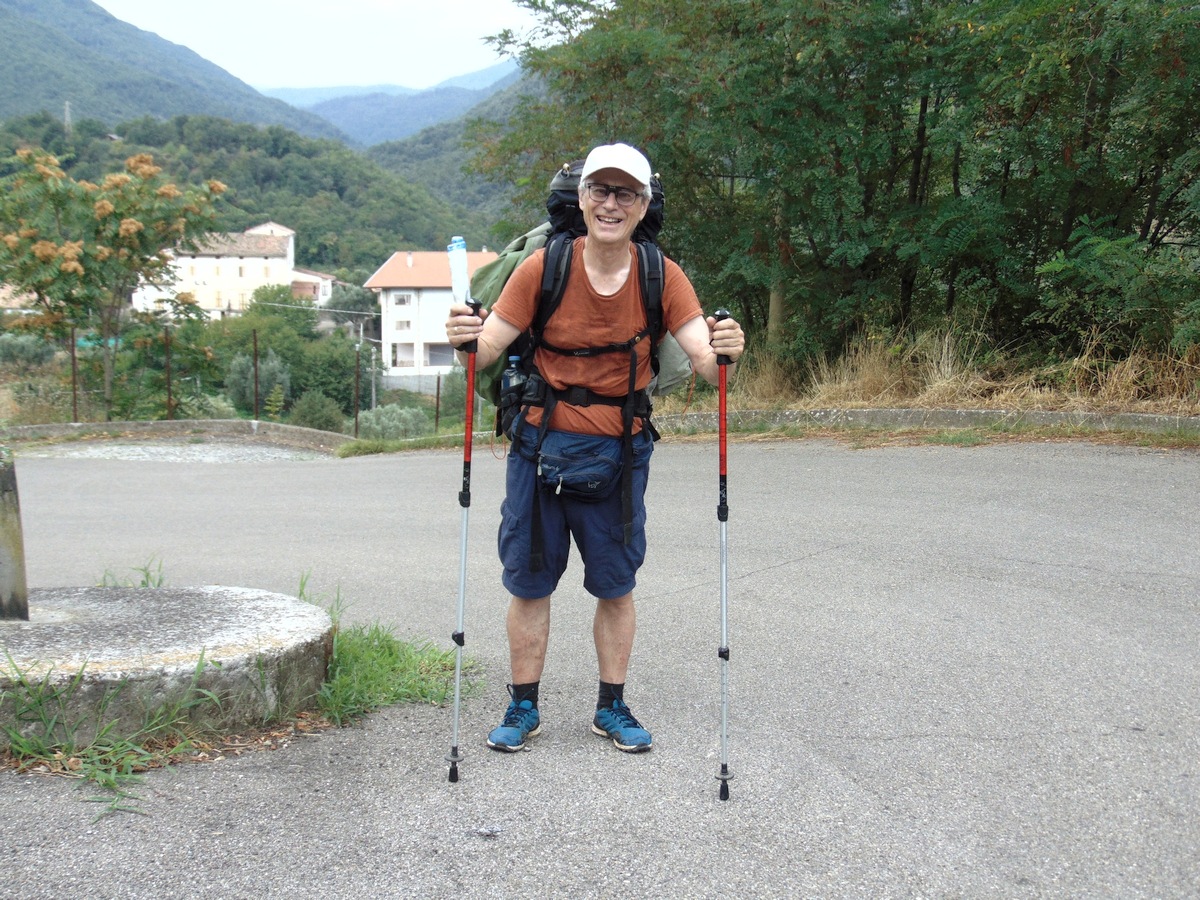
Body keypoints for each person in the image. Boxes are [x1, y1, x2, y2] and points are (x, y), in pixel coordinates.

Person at [445, 142, 745, 754]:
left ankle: (612, 707)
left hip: (621, 455)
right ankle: (522, 705)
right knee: (529, 583)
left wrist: (729, 352)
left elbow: (708, 371)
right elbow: (488, 356)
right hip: (537, 448)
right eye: (600, 191)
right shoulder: (542, 268)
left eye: (625, 194)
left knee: (615, 584)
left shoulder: (662, 275)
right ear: (581, 199)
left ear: (642, 206)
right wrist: (463, 340)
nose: (611, 203)